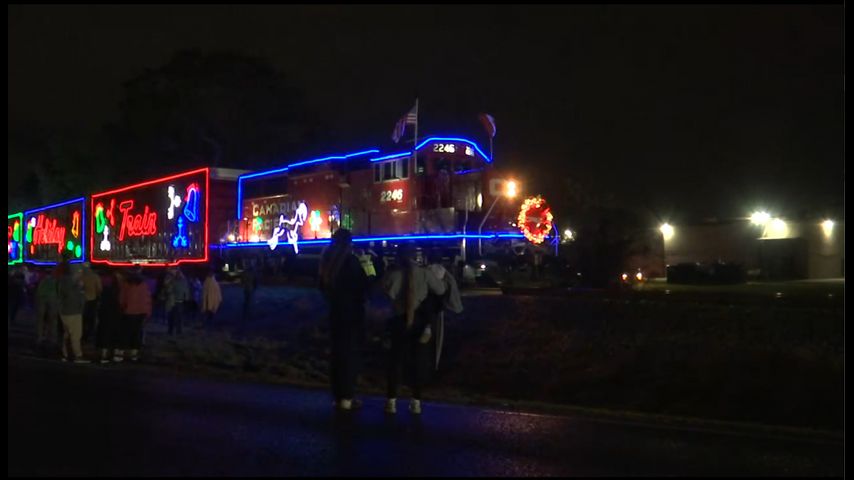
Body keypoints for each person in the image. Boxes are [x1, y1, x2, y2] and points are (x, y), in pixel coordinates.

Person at [381, 244, 446, 415]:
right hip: (419, 321)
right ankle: (416, 401)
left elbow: (385, 292)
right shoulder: (424, 273)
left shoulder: (393, 274)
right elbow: (441, 289)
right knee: (418, 361)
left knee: (395, 361)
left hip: (398, 320)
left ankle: (391, 401)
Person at [319, 229, 370, 411]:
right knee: (350, 354)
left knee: (337, 354)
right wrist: (369, 264)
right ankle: (347, 397)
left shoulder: (326, 262)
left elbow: (323, 287)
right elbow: (365, 284)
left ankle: (338, 395)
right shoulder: (351, 262)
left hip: (335, 313)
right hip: (352, 314)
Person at [56, 261, 89, 363]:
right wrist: (81, 290)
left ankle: (65, 354)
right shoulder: (74, 284)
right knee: (76, 335)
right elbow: (76, 298)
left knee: (67, 334)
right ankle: (77, 355)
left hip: (64, 311)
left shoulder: (62, 281)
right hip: (73, 311)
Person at [117, 267, 151, 362]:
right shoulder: (143, 285)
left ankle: (121, 353)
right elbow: (147, 299)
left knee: (125, 332)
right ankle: (134, 354)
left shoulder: (126, 284)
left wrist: (122, 307)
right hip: (140, 312)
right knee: (137, 333)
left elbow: (122, 298)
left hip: (128, 311)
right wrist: (148, 312)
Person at [96, 270, 122, 363]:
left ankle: (104, 355)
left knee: (105, 335)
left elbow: (100, 303)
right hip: (115, 315)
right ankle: (114, 354)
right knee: (114, 335)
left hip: (105, 315)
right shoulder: (119, 291)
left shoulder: (106, 290)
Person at [34, 267, 60, 356]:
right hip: (52, 299)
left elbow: (37, 291)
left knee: (40, 319)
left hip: (42, 298)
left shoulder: (42, 280)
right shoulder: (55, 280)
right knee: (52, 320)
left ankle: (40, 337)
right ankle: (52, 339)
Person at [81, 263, 103, 344]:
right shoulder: (95, 276)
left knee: (83, 320)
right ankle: (90, 337)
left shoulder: (80, 276)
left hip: (82, 301)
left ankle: (83, 336)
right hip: (92, 300)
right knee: (91, 320)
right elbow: (99, 289)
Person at [164, 268, 190, 335]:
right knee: (175, 317)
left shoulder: (176, 281)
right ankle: (175, 330)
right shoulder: (180, 281)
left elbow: (185, 290)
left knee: (175, 317)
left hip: (176, 301)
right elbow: (186, 291)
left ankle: (174, 330)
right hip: (175, 301)